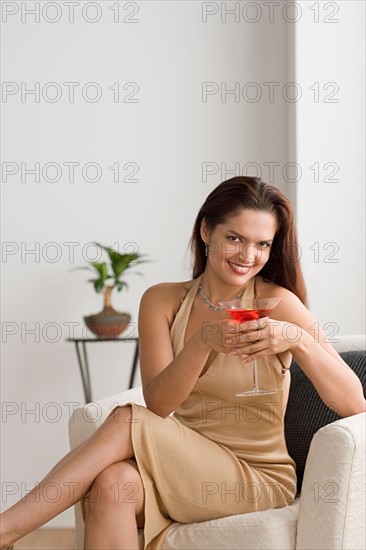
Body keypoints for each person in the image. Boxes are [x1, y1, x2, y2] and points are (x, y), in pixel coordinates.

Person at [0, 176, 364, 550]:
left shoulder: (278, 302)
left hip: (257, 477)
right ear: (206, 230)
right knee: (112, 485)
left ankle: (6, 531)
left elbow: (354, 403)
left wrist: (297, 339)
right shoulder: (161, 301)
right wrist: (202, 343)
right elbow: (159, 404)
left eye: (262, 244)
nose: (247, 255)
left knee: (127, 418)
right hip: (183, 463)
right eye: (235, 238)